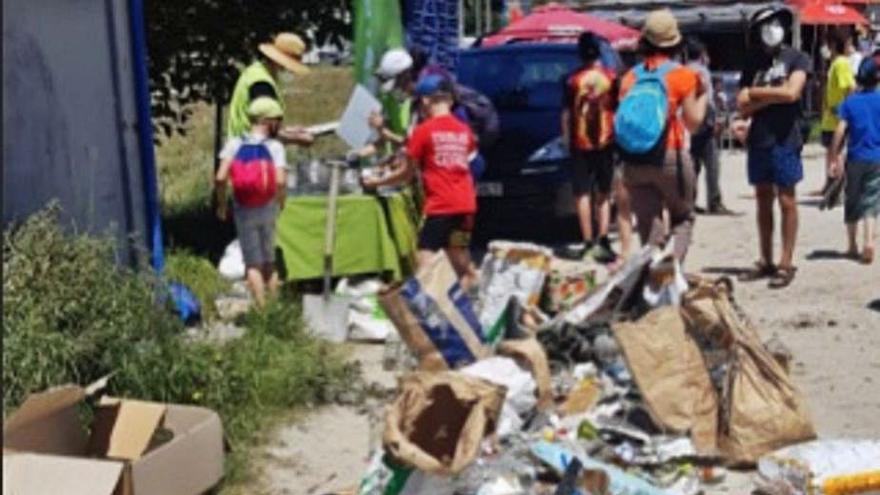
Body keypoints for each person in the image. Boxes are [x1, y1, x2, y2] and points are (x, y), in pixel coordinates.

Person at [362, 76, 479, 288]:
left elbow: (406, 174)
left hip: (441, 207)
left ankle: (432, 314)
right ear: (450, 100)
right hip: (466, 206)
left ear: (425, 101)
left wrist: (376, 183)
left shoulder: (424, 131)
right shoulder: (464, 131)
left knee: (424, 264)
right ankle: (462, 309)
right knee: (461, 264)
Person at [616, 9, 708, 262]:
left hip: (634, 161)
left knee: (650, 227)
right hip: (670, 155)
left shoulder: (630, 77)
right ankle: (671, 272)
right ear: (675, 42)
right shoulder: (683, 76)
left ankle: (653, 281)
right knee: (683, 218)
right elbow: (693, 123)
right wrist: (704, 97)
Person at [736, 6, 811, 289]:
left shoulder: (797, 57)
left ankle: (785, 261)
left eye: (774, 22)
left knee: (787, 200)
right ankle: (766, 259)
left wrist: (757, 94)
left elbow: (792, 93)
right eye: (765, 23)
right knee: (763, 200)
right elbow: (741, 105)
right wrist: (772, 95)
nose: (771, 27)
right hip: (760, 139)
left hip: (785, 138)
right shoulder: (753, 63)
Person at [215, 98, 288, 307]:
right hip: (268, 207)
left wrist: (222, 204)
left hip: (244, 208)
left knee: (253, 262)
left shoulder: (234, 144)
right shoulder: (275, 147)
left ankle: (262, 314)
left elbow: (220, 178)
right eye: (277, 120)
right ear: (269, 121)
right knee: (269, 260)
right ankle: (274, 310)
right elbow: (281, 180)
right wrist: (280, 201)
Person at [562, 32, 619, 263]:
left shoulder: (571, 80)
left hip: (580, 142)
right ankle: (603, 239)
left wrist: (566, 140)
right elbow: (617, 109)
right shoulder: (611, 78)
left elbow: (566, 114)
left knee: (582, 193)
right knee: (604, 193)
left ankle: (587, 241)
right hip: (607, 141)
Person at [827, 56, 880, 264]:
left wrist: (834, 155)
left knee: (852, 198)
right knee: (871, 200)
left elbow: (840, 131)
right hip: (877, 158)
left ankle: (852, 245)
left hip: (855, 157)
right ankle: (869, 241)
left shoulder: (849, 103)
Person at [227, 33, 314, 146]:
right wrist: (298, 139)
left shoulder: (254, 72)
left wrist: (290, 130)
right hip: (251, 155)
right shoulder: (262, 84)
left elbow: (260, 121)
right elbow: (264, 130)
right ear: (277, 62)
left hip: (239, 151)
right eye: (289, 66)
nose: (291, 71)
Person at [685, 38, 732, 215]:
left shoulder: (682, 71)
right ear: (703, 55)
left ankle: (688, 202)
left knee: (692, 164)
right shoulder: (702, 71)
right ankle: (714, 201)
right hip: (704, 122)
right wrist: (716, 120)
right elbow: (708, 100)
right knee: (712, 164)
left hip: (689, 122)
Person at [820, 30, 856, 150]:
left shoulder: (841, 63)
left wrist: (844, 110)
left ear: (833, 45)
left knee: (836, 158)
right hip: (830, 120)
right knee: (832, 158)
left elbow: (851, 88)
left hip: (837, 122)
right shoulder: (835, 63)